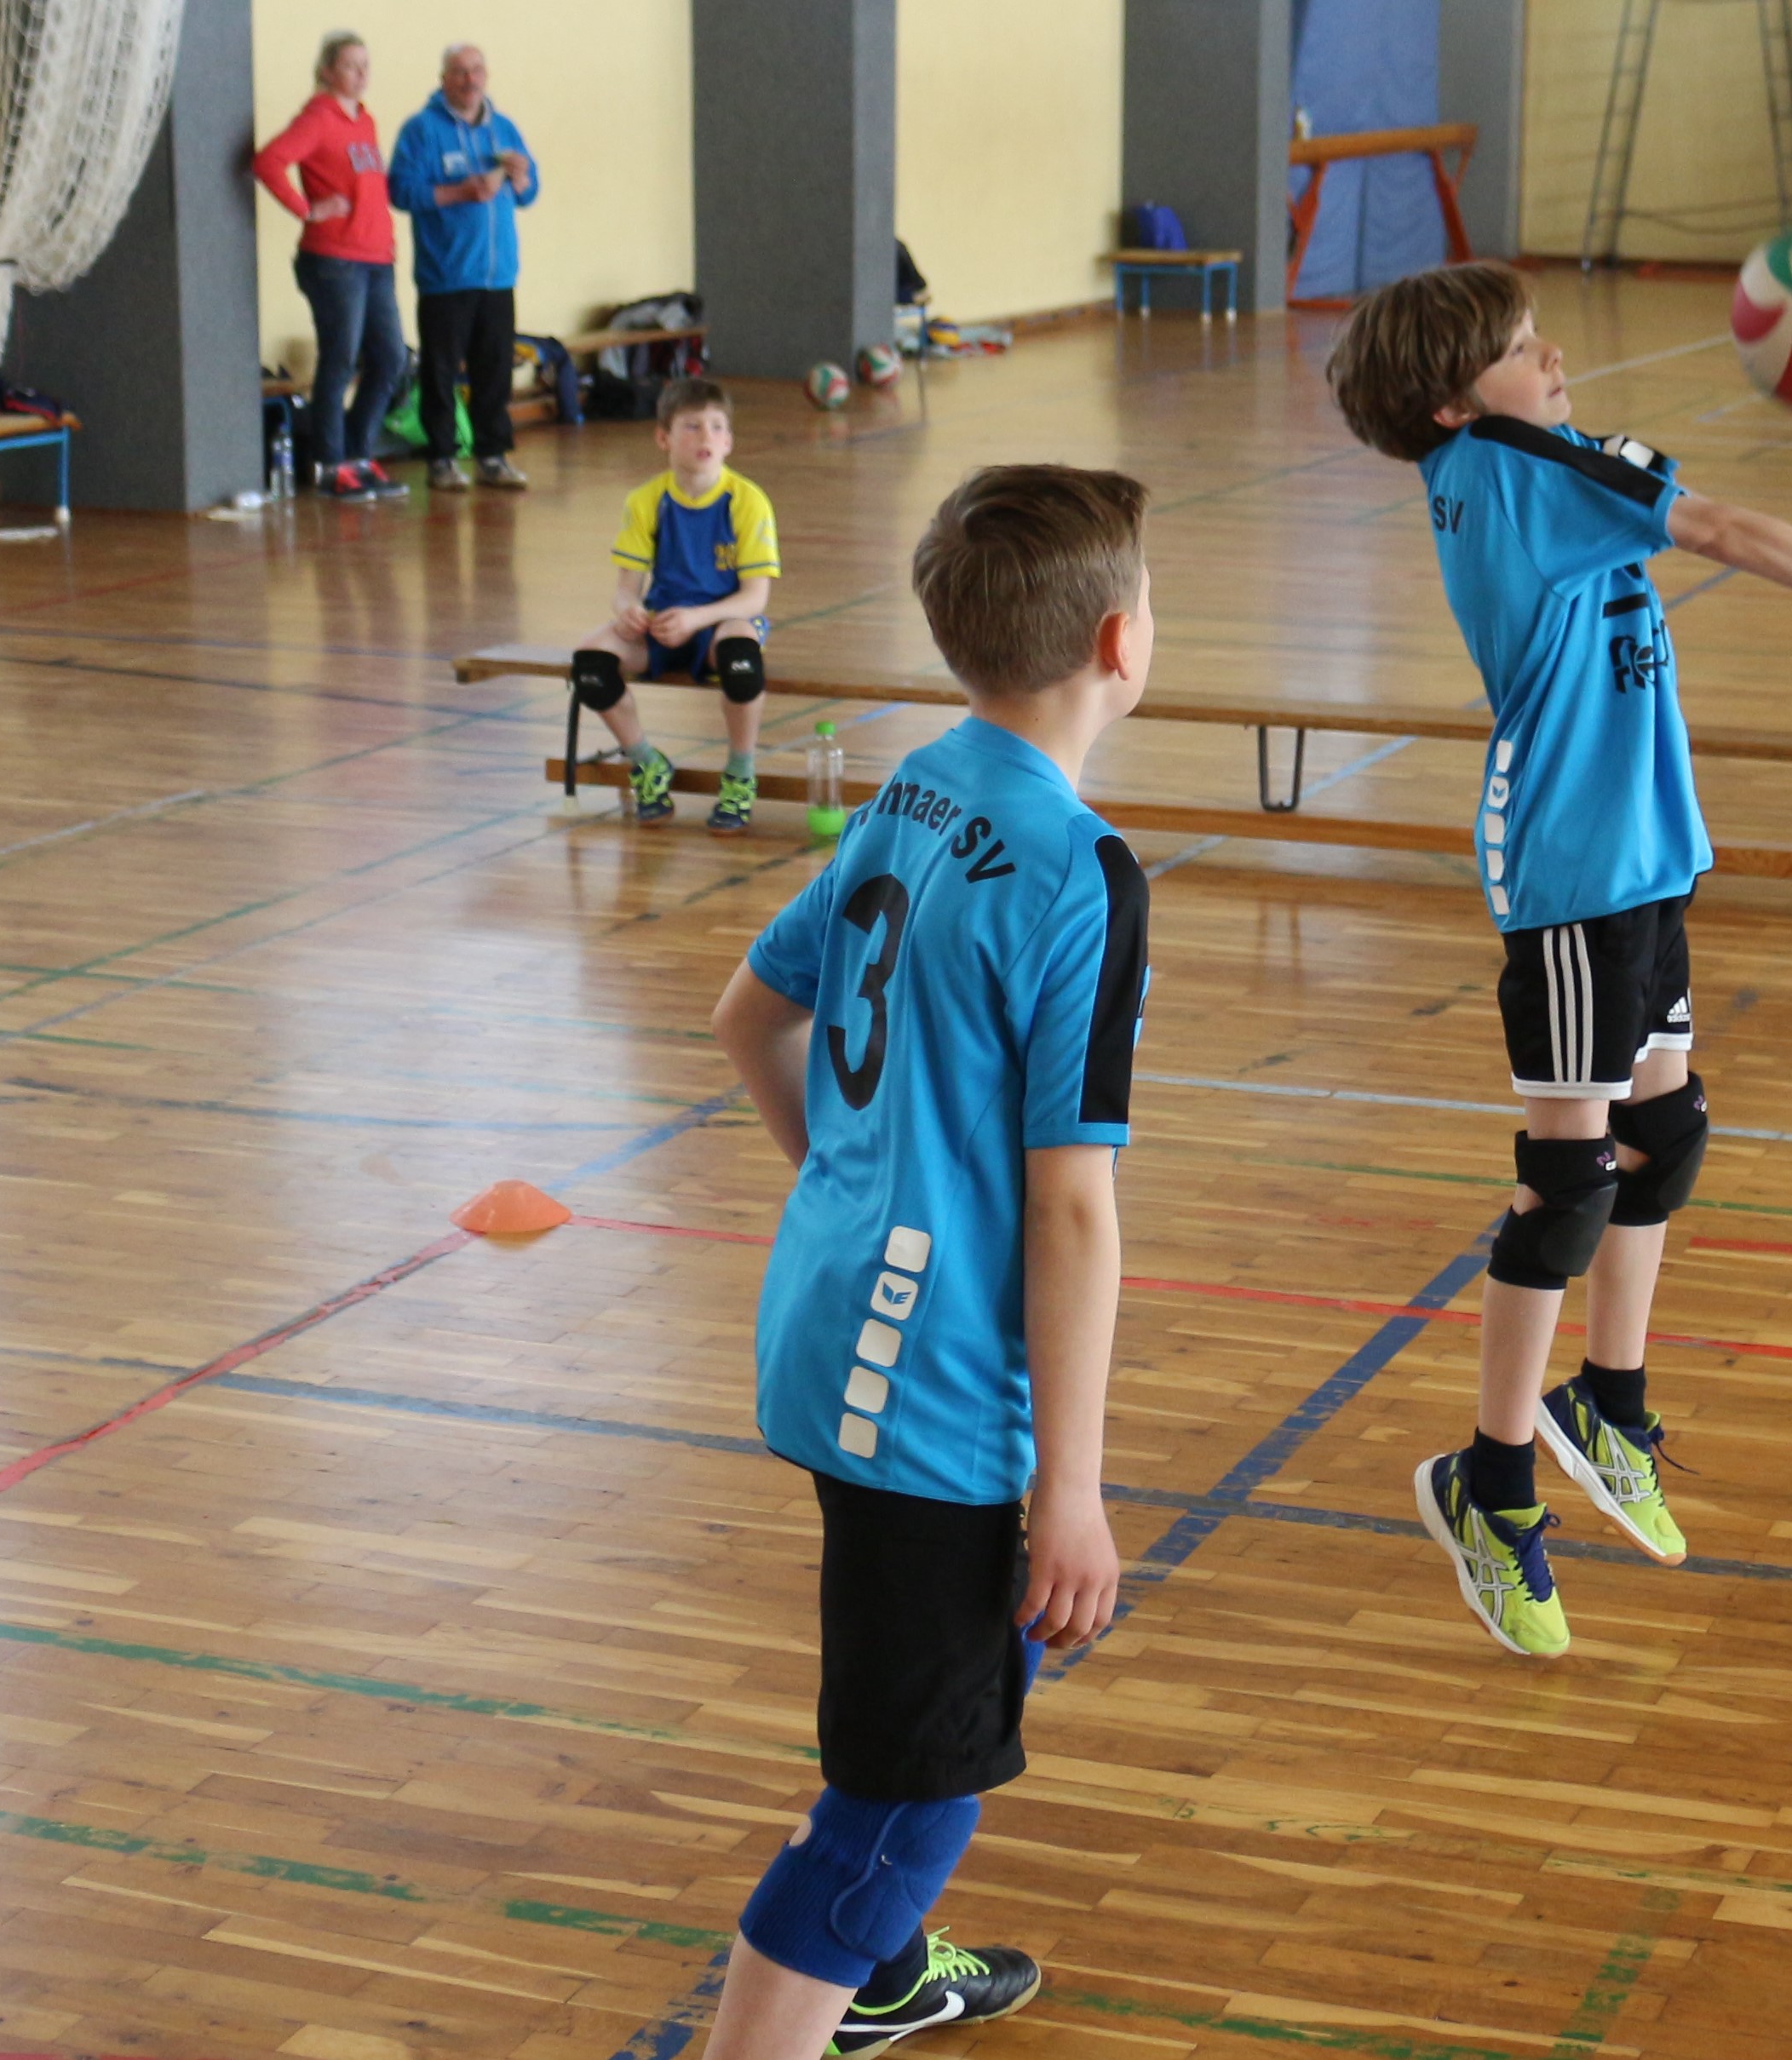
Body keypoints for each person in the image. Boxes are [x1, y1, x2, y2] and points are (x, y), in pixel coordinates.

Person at [1323, 262, 1792, 1657]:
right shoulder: (1513, 465)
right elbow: (1720, 524)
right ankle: (1489, 1483)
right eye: (1519, 347)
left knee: (1660, 1133)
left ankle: (1605, 1404)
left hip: (1642, 851)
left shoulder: (1513, 464)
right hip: (1571, 870)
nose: (1553, 355)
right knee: (1566, 1184)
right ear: (1453, 402)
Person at [700, 462, 1152, 2058]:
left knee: (906, 1694)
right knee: (906, 1801)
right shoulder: (1078, 866)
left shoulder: (913, 786)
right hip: (932, 1388)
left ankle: (881, 1981)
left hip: (826, 1321)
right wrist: (1073, 1490)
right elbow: (1073, 1206)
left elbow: (748, 1016)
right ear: (1120, 641)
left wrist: (854, 1188)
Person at [570, 379, 780, 835]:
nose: (706, 437)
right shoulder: (646, 500)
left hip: (722, 621)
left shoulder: (747, 501)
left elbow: (755, 597)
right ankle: (646, 761)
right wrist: (629, 609)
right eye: (692, 426)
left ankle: (740, 773)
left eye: (717, 427)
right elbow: (625, 589)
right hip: (664, 623)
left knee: (741, 659)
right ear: (663, 438)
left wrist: (696, 619)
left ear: (729, 441)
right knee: (590, 663)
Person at [253, 32, 408, 499]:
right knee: (340, 359)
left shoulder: (366, 121)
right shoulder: (318, 118)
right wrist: (307, 209)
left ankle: (358, 455)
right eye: (350, 65)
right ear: (326, 71)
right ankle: (329, 463)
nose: (361, 74)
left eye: (365, 65)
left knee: (390, 358)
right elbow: (269, 162)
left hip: (376, 259)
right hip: (335, 260)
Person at [386, 43, 538, 492]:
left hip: (498, 275)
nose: (469, 80)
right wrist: (459, 192)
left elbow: (529, 194)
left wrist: (522, 179)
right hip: (446, 276)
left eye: (476, 71)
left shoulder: (504, 129)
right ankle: (441, 459)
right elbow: (401, 191)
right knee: (440, 372)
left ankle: (492, 456)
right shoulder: (421, 130)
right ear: (444, 80)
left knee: (494, 370)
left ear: (485, 76)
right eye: (459, 72)